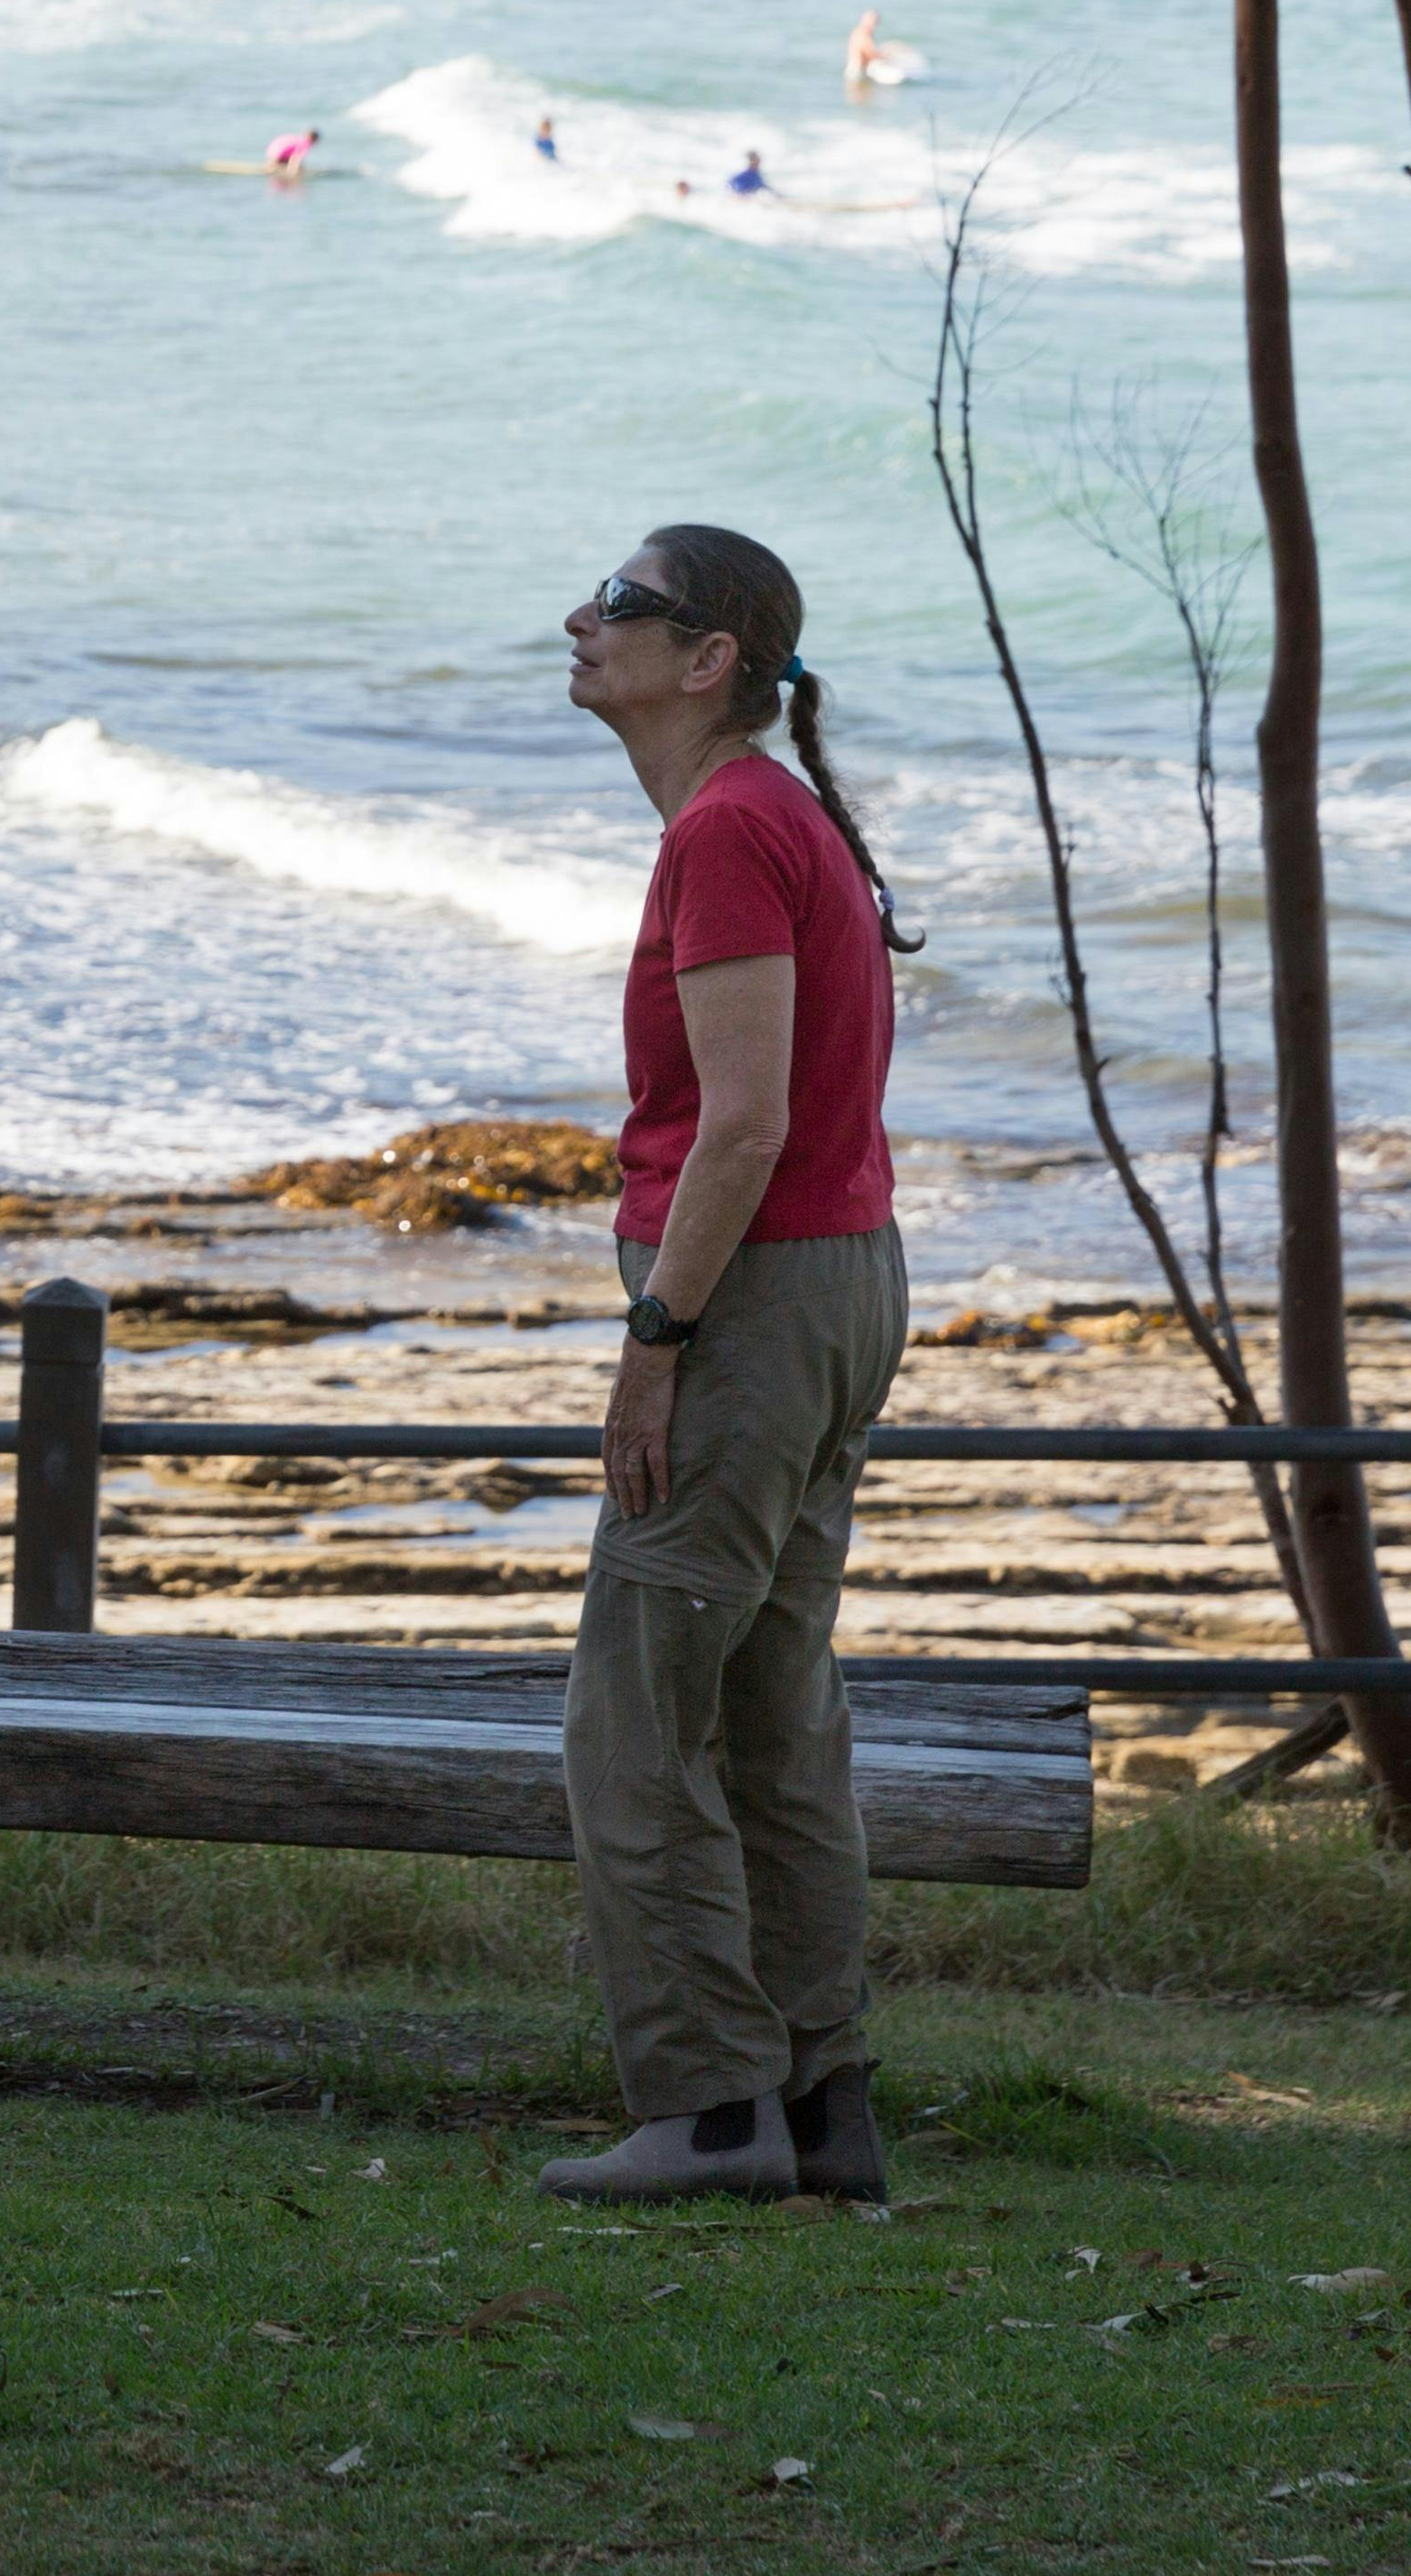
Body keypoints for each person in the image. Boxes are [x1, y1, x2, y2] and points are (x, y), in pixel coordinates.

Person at [538, 529, 924, 2205]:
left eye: (619, 604)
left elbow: (744, 1125)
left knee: (632, 1722)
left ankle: (707, 2110)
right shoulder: (773, 820)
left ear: (709, 660)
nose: (579, 619)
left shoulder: (730, 828)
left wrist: (656, 1344)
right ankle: (822, 2111)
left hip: (758, 1298)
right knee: (770, 1717)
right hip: (831, 1282)